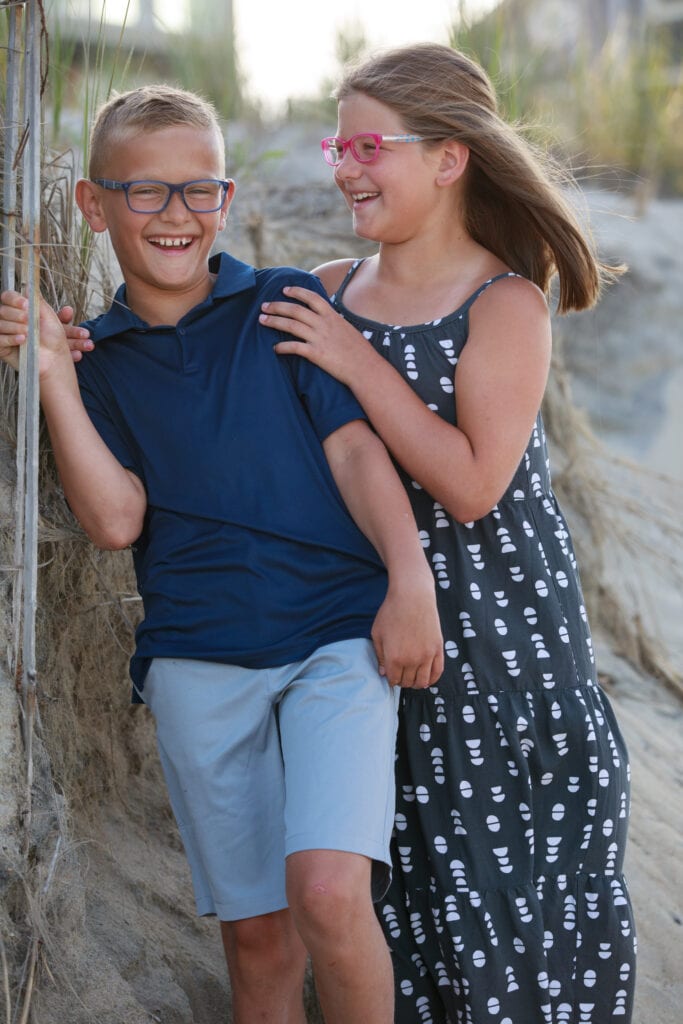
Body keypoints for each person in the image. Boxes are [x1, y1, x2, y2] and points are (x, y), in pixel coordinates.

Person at [0, 84, 446, 1024]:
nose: (176, 216)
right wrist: (53, 376)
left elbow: (359, 453)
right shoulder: (97, 361)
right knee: (258, 933)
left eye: (199, 191)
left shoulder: (280, 303)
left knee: (329, 892)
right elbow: (117, 522)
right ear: (93, 203)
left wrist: (409, 582)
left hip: (334, 636)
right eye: (147, 192)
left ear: (227, 199)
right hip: (198, 654)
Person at [257, 42, 636, 1024]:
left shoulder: (501, 304)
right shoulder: (328, 286)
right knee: (398, 880)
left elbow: (472, 485)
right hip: (362, 640)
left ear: (446, 157)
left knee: (506, 896)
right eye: (335, 146)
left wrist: (356, 359)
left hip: (501, 648)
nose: (340, 166)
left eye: (365, 145)